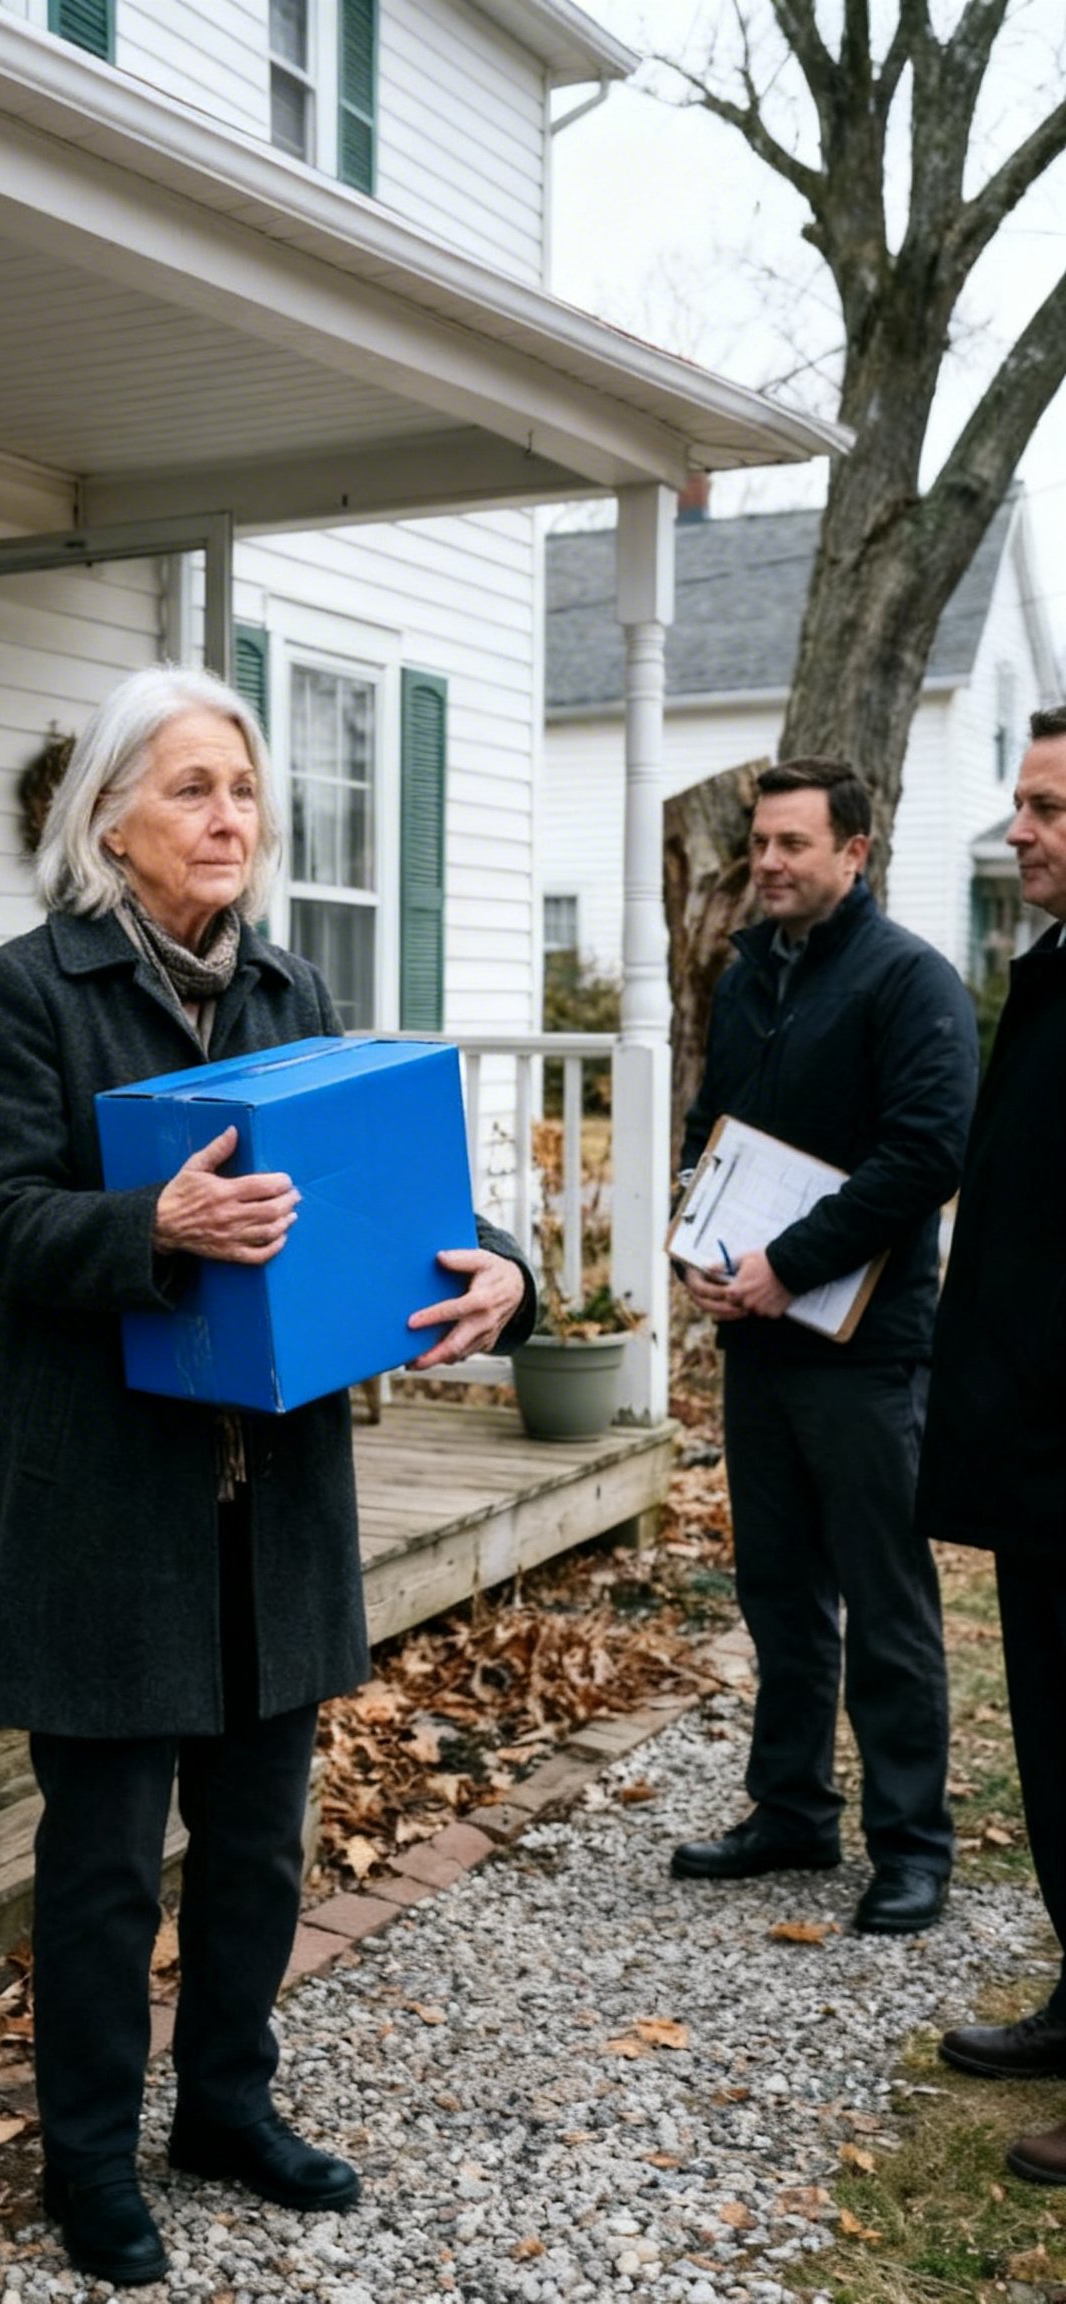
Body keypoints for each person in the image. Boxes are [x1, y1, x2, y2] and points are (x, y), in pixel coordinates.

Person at [0, 663, 534, 2286]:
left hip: (267, 1502)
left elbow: (381, 1193)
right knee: (104, 1860)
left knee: (262, 1847)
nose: (230, 816)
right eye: (192, 788)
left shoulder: (294, 984)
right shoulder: (30, 989)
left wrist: (500, 1272)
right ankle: (85, 2156)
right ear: (110, 820)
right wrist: (151, 1224)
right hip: (105, 1504)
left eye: (244, 788)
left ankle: (223, 2102)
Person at [669, 757, 979, 1934]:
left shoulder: (911, 983)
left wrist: (787, 1263)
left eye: (795, 844)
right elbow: (715, 1127)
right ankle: (791, 1811)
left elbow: (926, 1157)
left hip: (865, 1351)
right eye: (760, 842)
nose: (769, 863)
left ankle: (912, 1845)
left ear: (857, 852)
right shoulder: (749, 976)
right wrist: (699, 1240)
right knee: (779, 1594)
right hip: (759, 1343)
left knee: (884, 1603)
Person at [921, 706, 1066, 2182]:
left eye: (1050, 809)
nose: (1020, 829)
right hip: (1034, 1462)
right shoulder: (1054, 966)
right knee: (1057, 1763)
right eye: (1023, 802)